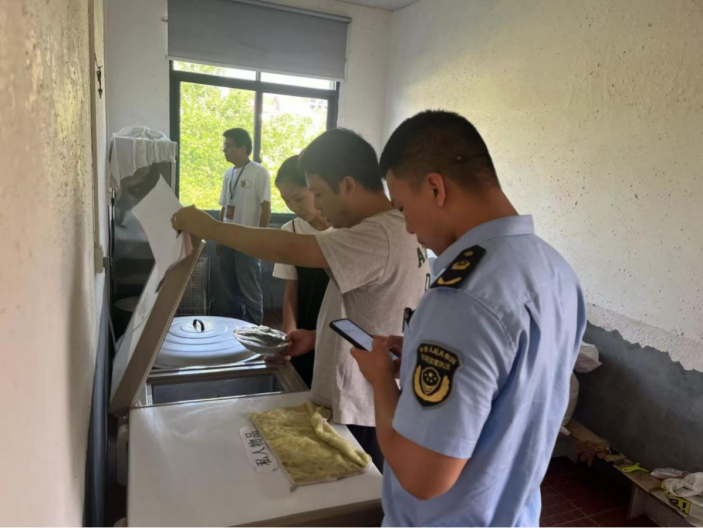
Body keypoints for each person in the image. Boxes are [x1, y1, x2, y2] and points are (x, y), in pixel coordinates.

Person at [349, 110, 586, 527]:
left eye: (403, 208)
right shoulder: (554, 270)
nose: (408, 227)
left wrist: (381, 380)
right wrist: (420, 351)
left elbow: (423, 477)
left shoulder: (462, 298)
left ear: (435, 188)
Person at [172, 129, 431, 470]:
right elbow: (377, 312)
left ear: (348, 185)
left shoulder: (378, 233)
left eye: (318, 193)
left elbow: (289, 247)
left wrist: (211, 228)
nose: (317, 205)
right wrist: (318, 337)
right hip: (371, 399)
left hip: (363, 407)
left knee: (357, 490)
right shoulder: (396, 227)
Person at [272, 155, 332, 388]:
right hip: (305, 327)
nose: (293, 207)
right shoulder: (291, 231)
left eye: (298, 198)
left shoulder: (346, 230)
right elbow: (291, 294)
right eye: (286, 200)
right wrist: (288, 338)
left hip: (337, 328)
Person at [218, 128, 271, 325]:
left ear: (242, 148)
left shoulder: (260, 172)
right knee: (229, 288)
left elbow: (266, 208)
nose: (224, 150)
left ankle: (255, 328)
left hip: (248, 241)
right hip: (227, 239)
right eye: (224, 146)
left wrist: (260, 239)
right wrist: (219, 236)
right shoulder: (228, 173)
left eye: (228, 146)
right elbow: (224, 206)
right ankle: (235, 325)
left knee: (249, 288)